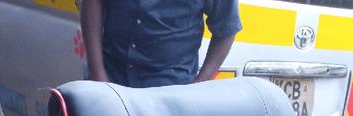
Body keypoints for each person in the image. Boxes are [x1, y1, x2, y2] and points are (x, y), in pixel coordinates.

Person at [80, 0, 241, 88]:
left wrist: (200, 84)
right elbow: (93, 3)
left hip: (170, 90)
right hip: (111, 79)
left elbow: (227, 29)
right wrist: (97, 72)